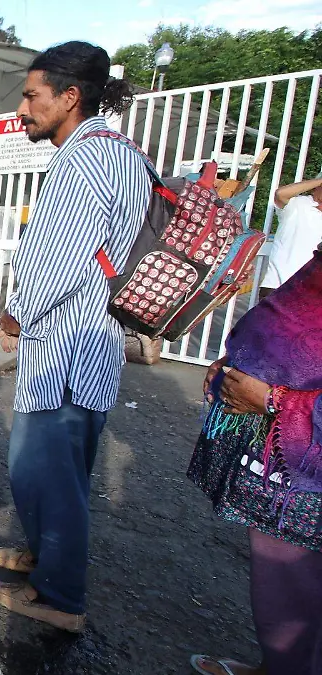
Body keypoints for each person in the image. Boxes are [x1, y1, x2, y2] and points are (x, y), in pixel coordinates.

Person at [0, 41, 146, 633]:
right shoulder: (118, 150)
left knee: (43, 470)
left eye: (31, 96)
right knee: (62, 471)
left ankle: (59, 598)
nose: (23, 108)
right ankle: (45, 557)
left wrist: (16, 312)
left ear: (69, 96)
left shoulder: (82, 160)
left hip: (66, 349)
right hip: (91, 343)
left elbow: (63, 259)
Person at [186, 244, 322, 675]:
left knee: (293, 592)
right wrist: (241, 361)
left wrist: (271, 399)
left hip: (305, 471)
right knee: (286, 589)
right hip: (286, 460)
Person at [259, 172, 322, 299]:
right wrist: (319, 180)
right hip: (278, 286)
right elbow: (280, 194)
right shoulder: (298, 205)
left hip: (312, 292)